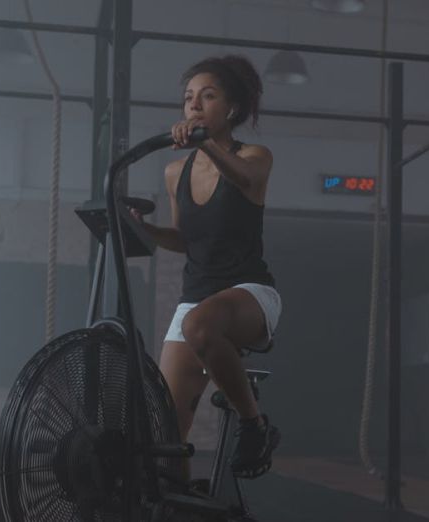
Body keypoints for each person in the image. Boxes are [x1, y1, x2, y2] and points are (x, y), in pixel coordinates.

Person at [133, 54, 281, 481]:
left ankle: (255, 426)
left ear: (231, 108)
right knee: (165, 432)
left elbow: (245, 180)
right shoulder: (173, 171)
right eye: (188, 98)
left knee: (201, 325)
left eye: (208, 96)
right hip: (197, 297)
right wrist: (145, 230)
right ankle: (179, 506)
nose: (194, 105)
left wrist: (205, 143)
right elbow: (183, 239)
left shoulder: (255, 155)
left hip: (250, 294)